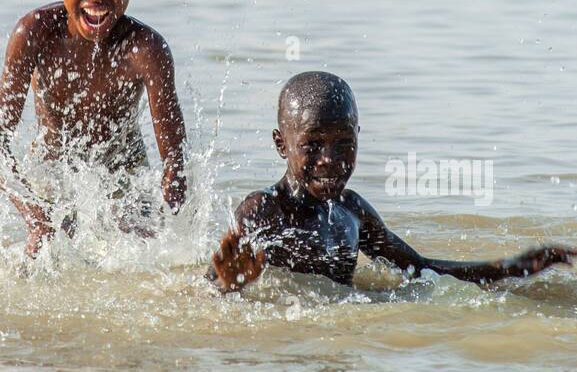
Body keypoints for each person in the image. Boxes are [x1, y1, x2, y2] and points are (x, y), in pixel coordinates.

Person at [208, 71, 575, 293]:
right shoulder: (265, 210)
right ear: (281, 144)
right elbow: (207, 287)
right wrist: (229, 286)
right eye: (313, 144)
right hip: (291, 342)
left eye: (345, 143)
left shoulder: (352, 212)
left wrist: (513, 268)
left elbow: (423, 272)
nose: (330, 159)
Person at [0, 0, 187, 256]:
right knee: (39, 260)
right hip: (52, 180)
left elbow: (175, 162)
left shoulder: (145, 50)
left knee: (135, 261)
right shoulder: (34, 34)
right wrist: (35, 216)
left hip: (124, 185)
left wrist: (161, 226)